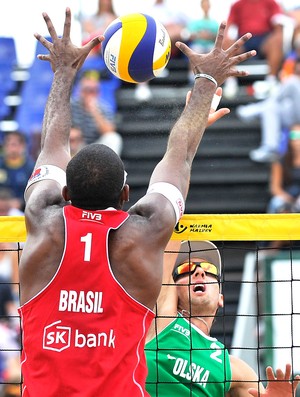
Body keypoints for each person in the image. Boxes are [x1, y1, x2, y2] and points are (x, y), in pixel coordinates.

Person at [17, 7, 256, 396]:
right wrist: (206, 80)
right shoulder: (142, 236)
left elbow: (52, 146)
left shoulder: (41, 219)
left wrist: (61, 74)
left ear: (64, 194)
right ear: (127, 196)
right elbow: (178, 159)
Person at [145, 240, 300, 396]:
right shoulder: (161, 321)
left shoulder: (235, 369)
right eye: (186, 269)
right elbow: (165, 237)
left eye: (208, 269)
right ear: (173, 289)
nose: (199, 272)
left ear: (221, 298)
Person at [236, 57, 300, 162]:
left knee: (276, 99)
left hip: (296, 117)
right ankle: (270, 147)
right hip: (293, 113)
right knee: (271, 108)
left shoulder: (293, 81)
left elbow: (278, 97)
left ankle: (254, 110)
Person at [223, 0, 285, 98]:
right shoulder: (237, 5)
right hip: (244, 40)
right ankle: (230, 82)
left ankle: (271, 81)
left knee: (277, 40)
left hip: (264, 41)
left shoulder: (270, 3)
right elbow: (228, 26)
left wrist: (278, 35)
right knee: (225, 42)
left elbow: (278, 23)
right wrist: (226, 38)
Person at [71, 69, 123, 155]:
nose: (90, 94)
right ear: (80, 91)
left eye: (94, 90)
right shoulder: (71, 105)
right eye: (87, 90)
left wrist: (95, 111)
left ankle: (109, 168)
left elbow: (109, 131)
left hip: (95, 146)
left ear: (98, 92)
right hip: (76, 143)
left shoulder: (104, 108)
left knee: (114, 138)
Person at [0, 131, 35, 210]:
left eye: (14, 144)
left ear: (23, 146)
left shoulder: (31, 168)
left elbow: (35, 193)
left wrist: (22, 203)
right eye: (7, 144)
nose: (10, 148)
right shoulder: (1, 165)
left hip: (23, 211)